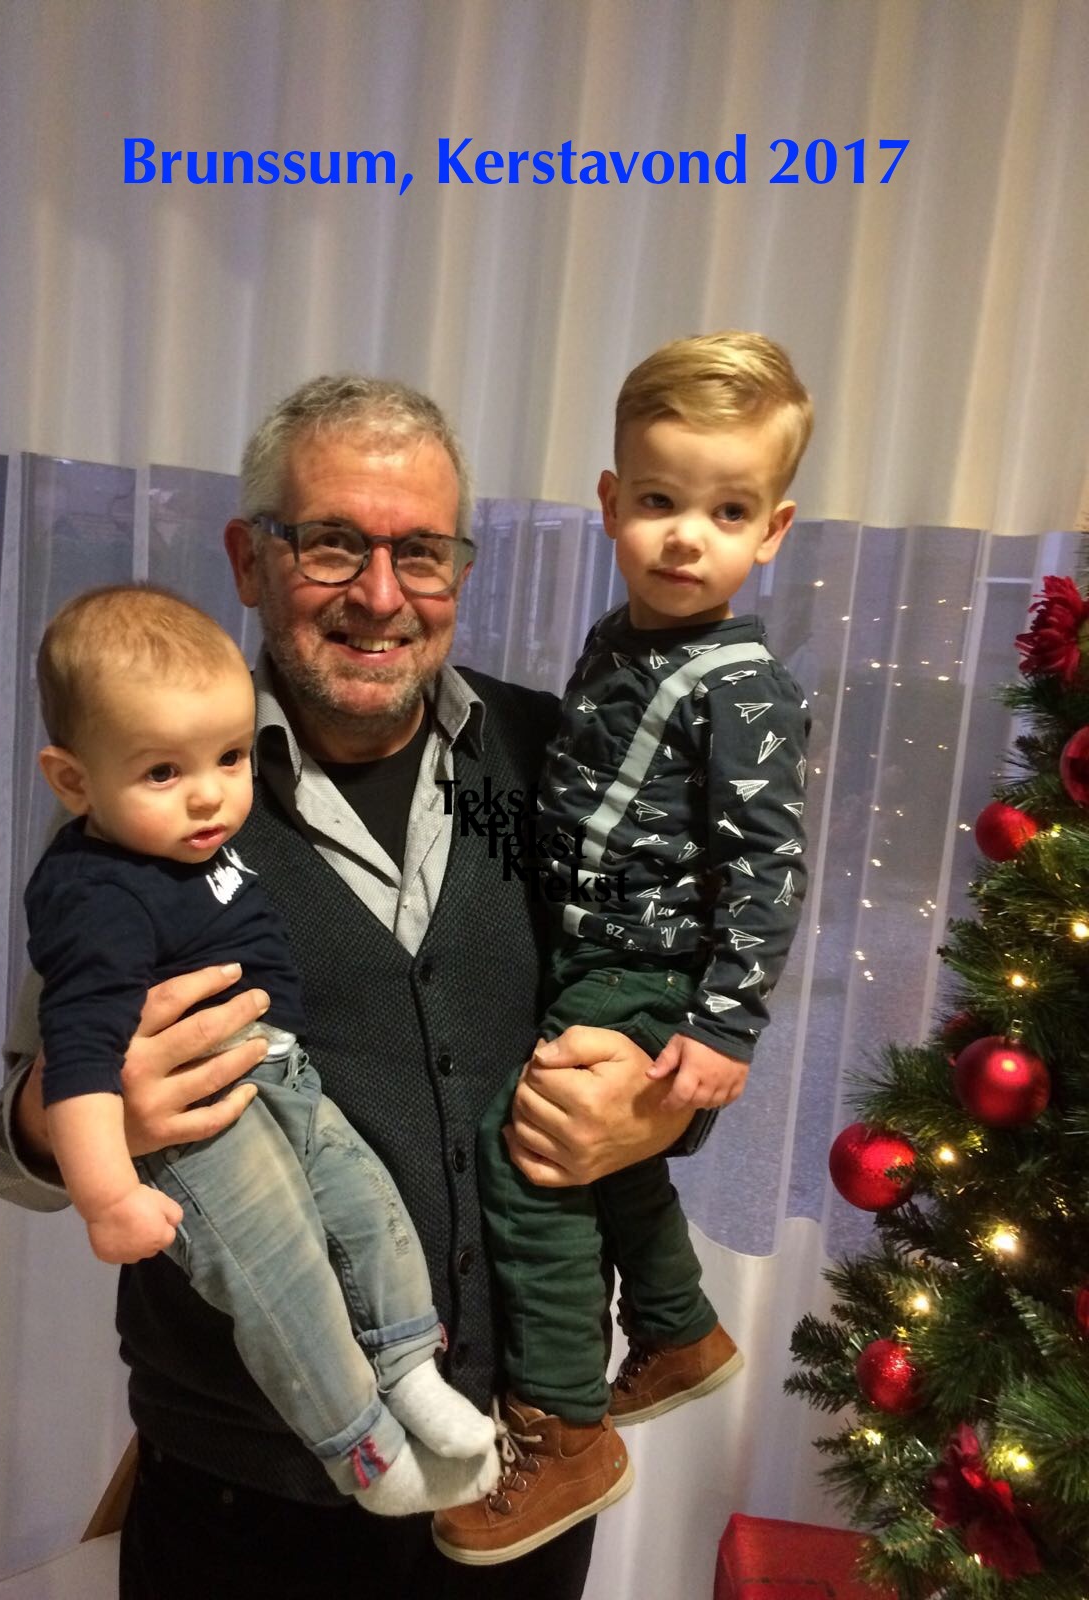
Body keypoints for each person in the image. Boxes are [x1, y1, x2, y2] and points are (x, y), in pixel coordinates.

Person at [0, 375, 694, 1600]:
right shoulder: (140, 806)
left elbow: (661, 999)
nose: (379, 593)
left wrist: (662, 1109)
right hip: (242, 1495)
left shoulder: (555, 758)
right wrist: (82, 1116)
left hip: (521, 1472)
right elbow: (16, 1147)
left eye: (421, 551)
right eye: (331, 544)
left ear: (458, 568)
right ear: (248, 559)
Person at [435, 333, 813, 1565]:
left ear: (773, 530)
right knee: (602, 1151)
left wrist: (723, 1022)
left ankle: (564, 1425)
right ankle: (675, 1325)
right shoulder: (620, 639)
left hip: (647, 967)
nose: (686, 536)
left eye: (727, 511)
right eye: (658, 501)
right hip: (591, 951)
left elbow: (767, 865)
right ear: (610, 503)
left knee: (533, 1153)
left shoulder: (742, 683)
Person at [25, 583, 497, 1516]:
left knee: (367, 1206)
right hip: (205, 1127)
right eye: (164, 772)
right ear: (75, 783)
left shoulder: (196, 841)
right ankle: (363, 1449)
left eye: (232, 759)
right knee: (284, 1274)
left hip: (282, 1072)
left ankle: (409, 1368)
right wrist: (108, 1192)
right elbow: (75, 1055)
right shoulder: (96, 892)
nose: (210, 794)